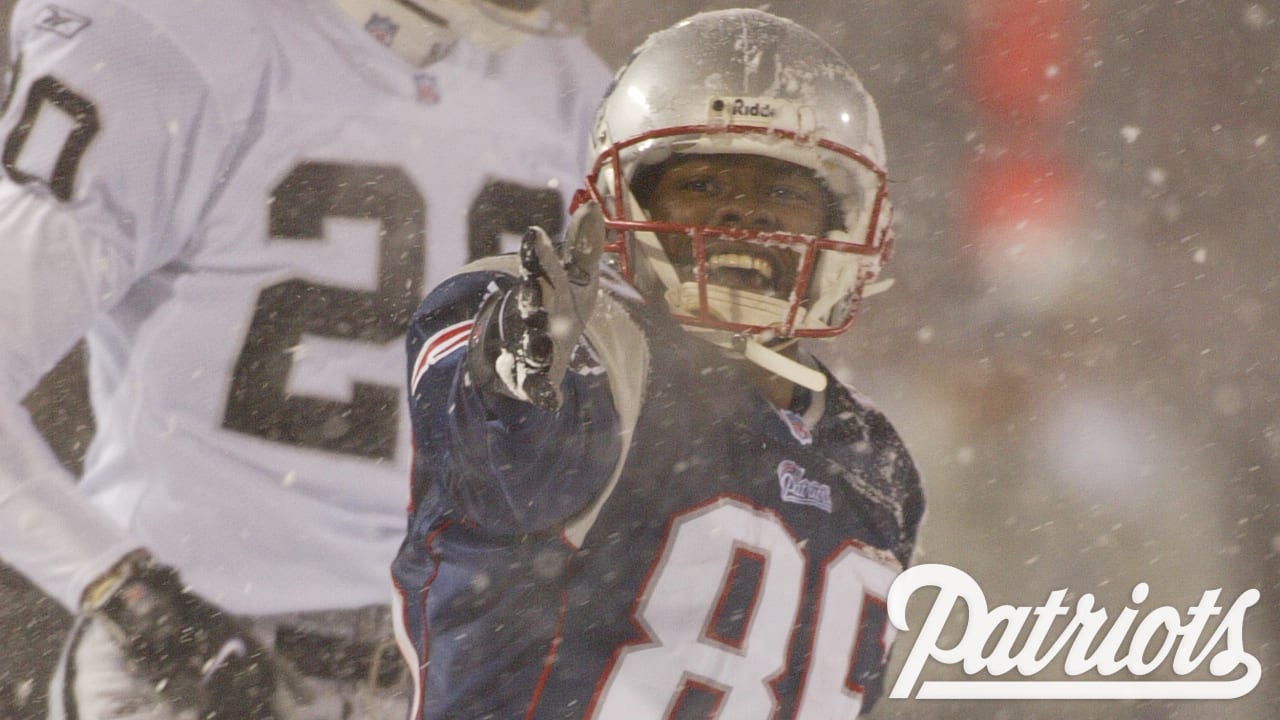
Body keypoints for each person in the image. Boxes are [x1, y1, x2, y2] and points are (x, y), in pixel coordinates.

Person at [0, 0, 610, 717]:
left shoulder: (575, 90)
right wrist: (120, 586)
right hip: (199, 658)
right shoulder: (178, 37)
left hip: (456, 660)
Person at [393, 8, 925, 719]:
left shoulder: (874, 460)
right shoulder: (589, 348)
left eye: (783, 190)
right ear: (618, 206)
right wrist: (516, 389)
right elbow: (503, 476)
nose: (745, 214)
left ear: (848, 226)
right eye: (704, 185)